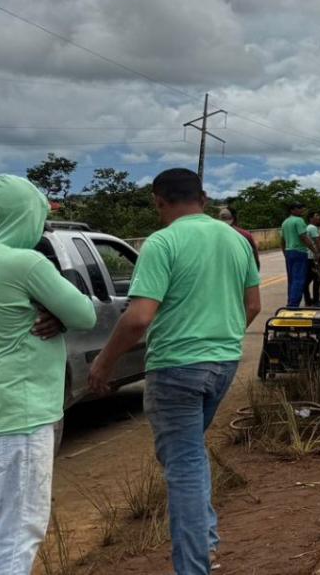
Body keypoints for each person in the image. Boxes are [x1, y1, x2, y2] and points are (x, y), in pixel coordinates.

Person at [88, 168, 261, 575]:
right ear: (202, 197)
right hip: (222, 364)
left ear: (159, 201)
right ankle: (206, 538)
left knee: (182, 465)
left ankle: (193, 566)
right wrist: (221, 340)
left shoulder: (162, 242)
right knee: (190, 455)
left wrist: (103, 363)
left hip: (176, 369)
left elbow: (138, 318)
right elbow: (251, 305)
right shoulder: (237, 241)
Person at [0, 175, 96, 574]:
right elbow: (85, 314)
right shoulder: (25, 263)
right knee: (17, 532)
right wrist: (56, 313)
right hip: (20, 412)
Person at [280, 202, 320, 309]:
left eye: (302, 207)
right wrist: (315, 251)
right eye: (298, 208)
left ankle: (290, 301)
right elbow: (304, 237)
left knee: (291, 279)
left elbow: (282, 240)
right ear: (292, 210)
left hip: (289, 252)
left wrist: (285, 253)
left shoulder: (285, 222)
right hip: (299, 252)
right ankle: (293, 305)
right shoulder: (299, 221)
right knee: (299, 279)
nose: (301, 210)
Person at [303, 212, 320, 306]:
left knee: (308, 279)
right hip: (313, 257)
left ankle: (308, 300)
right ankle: (316, 301)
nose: (319, 217)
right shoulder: (312, 228)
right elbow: (319, 243)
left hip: (308, 257)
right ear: (311, 218)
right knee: (317, 278)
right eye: (316, 216)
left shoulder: (308, 228)